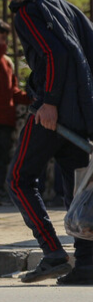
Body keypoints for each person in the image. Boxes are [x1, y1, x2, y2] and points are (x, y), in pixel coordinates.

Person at [1, 0, 93, 285]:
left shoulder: (28, 11)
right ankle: (84, 267)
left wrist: (50, 101)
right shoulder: (64, 8)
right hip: (81, 113)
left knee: (18, 179)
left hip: (54, 113)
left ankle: (53, 253)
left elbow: (54, 54)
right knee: (77, 189)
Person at [0, 20, 31, 204]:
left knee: (3, 158)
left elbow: (12, 91)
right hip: (4, 118)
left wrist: (31, 99)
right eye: (1, 37)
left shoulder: (6, 62)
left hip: (5, 119)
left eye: (5, 38)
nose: (3, 42)